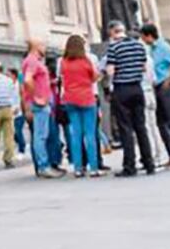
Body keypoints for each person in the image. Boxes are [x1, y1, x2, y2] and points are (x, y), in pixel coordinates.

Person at [104, 21, 155, 177]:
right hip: (137, 88)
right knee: (141, 127)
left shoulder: (114, 48)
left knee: (126, 129)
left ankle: (130, 166)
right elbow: (144, 67)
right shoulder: (139, 46)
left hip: (122, 89)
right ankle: (149, 163)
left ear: (113, 32)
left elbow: (110, 71)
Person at [140, 23, 170, 168]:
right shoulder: (152, 49)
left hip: (167, 86)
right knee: (161, 122)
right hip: (158, 87)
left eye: (143, 36)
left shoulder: (162, 46)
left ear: (149, 36)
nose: (142, 39)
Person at [59, 35, 101, 177]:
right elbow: (95, 77)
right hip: (87, 99)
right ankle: (93, 167)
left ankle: (78, 167)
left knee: (75, 134)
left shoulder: (63, 62)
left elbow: (62, 77)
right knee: (90, 134)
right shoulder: (85, 61)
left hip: (70, 99)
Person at [23, 42, 64, 178]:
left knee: (43, 135)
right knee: (41, 136)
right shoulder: (33, 61)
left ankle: (45, 165)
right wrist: (37, 97)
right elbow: (28, 80)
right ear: (36, 47)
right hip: (40, 104)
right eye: (42, 45)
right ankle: (43, 166)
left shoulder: (33, 61)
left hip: (41, 103)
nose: (45, 47)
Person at [7, 68, 27, 160]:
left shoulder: (19, 85)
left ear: (14, 75)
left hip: (19, 111)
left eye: (9, 75)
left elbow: (22, 97)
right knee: (13, 133)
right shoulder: (8, 85)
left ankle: (21, 150)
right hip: (10, 111)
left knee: (18, 130)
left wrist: (19, 108)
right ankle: (21, 143)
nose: (7, 76)